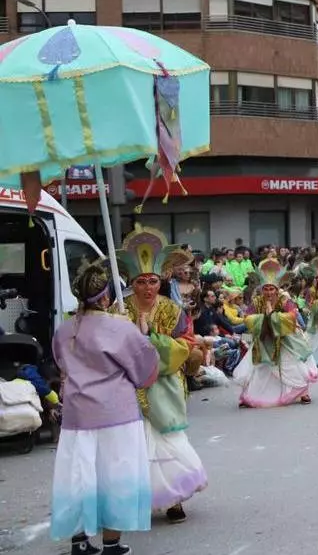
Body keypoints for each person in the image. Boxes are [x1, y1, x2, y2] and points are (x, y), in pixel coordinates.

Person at [51, 259, 159, 555]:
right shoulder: (120, 328)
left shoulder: (63, 330)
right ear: (107, 297)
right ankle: (112, 543)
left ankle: (80, 541)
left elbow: (62, 365)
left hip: (77, 413)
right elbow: (145, 368)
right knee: (116, 476)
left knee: (79, 476)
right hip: (117, 415)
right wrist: (138, 334)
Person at [115, 227, 207, 525]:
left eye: (153, 281)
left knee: (168, 441)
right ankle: (139, 497)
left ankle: (175, 499)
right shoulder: (120, 310)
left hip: (164, 387)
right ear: (132, 283)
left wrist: (152, 338)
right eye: (141, 281)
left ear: (161, 280)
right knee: (134, 445)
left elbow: (186, 346)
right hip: (129, 388)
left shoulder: (173, 310)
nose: (147, 287)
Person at [233, 259, 318, 407]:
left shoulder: (284, 300)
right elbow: (247, 318)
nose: (268, 292)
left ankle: (302, 392)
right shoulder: (256, 302)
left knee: (291, 366)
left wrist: (274, 317)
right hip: (264, 338)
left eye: (271, 289)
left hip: (285, 338)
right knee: (260, 368)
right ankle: (250, 396)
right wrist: (264, 319)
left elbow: (292, 315)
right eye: (266, 289)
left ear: (276, 289)